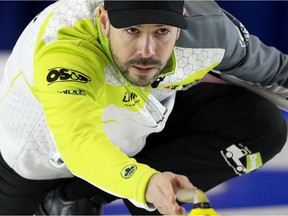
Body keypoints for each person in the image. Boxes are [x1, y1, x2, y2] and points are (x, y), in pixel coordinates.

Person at [0, 0, 287, 215]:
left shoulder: (211, 31)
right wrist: (144, 183)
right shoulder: (66, 47)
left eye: (162, 31)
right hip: (37, 158)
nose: (146, 51)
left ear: (180, 24)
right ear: (103, 20)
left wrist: (149, 186)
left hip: (143, 117)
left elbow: (278, 73)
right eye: (132, 30)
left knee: (259, 126)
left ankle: (87, 196)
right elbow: (79, 143)